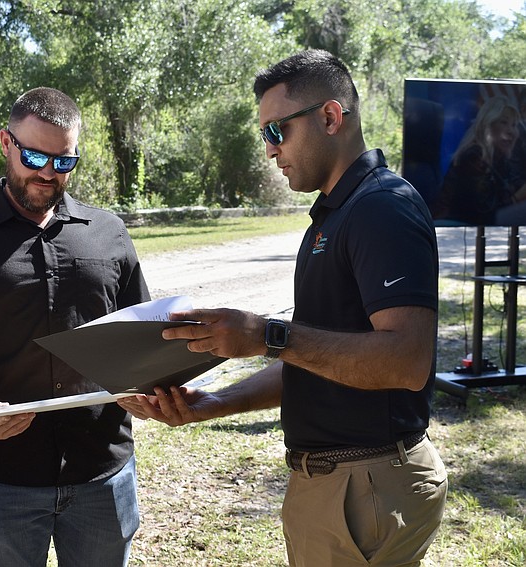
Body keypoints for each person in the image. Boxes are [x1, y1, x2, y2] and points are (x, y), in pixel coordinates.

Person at [119, 49, 448, 567]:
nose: (270, 152)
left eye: (277, 132)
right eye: (264, 136)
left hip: (365, 486)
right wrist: (212, 405)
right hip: (340, 486)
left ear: (330, 117)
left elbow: (407, 361)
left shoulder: (381, 208)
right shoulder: (333, 216)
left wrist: (268, 335)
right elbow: (320, 361)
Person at [0, 86, 149, 567]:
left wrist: (148, 385)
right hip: (0, 480)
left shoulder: (109, 233)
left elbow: (141, 336)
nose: (47, 173)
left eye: (64, 161)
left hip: (103, 470)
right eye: (35, 155)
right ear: (6, 142)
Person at [434, 95, 526, 224]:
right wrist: (519, 196)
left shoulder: (500, 159)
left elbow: (507, 192)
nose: (511, 131)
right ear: (488, 125)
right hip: (456, 226)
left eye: (514, 125)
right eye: (504, 123)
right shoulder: (473, 157)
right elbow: (485, 213)